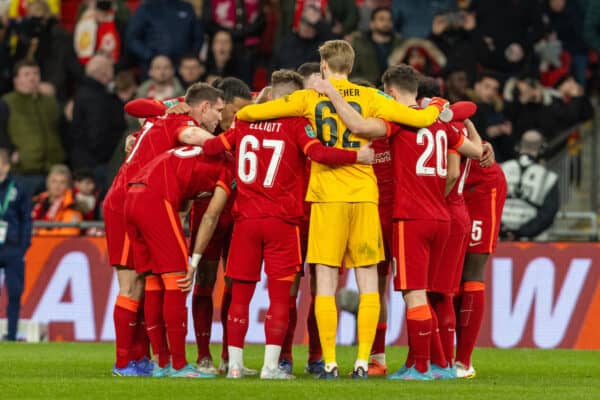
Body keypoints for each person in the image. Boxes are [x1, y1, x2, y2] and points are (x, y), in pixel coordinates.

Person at [236, 40, 449, 379]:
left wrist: (264, 100)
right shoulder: (370, 97)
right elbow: (419, 117)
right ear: (350, 66)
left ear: (323, 65)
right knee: (368, 285)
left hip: (326, 198)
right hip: (365, 195)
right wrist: (438, 105)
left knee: (325, 284)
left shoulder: (308, 97)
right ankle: (364, 362)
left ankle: (331, 362)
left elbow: (247, 113)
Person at [307, 64, 482, 380]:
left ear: (388, 94)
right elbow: (475, 151)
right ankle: (435, 363)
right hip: (437, 215)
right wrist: (453, 116)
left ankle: (420, 365)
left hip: (402, 216)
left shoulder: (395, 125)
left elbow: (359, 125)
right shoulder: (440, 124)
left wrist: (331, 93)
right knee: (426, 292)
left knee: (400, 291)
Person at [199, 69, 375, 379]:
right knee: (281, 297)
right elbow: (319, 153)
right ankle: (271, 366)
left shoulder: (244, 123)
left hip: (246, 222)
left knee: (240, 295)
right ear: (290, 98)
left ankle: (235, 367)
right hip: (282, 222)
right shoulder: (296, 125)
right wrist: (356, 156)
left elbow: (213, 147)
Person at [103, 83, 224, 377]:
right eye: (219, 111)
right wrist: (232, 144)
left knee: (145, 282)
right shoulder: (181, 120)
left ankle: (140, 359)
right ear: (204, 106)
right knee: (135, 286)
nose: (220, 120)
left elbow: (136, 111)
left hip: (126, 196)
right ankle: (126, 363)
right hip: (132, 196)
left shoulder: (163, 119)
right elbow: (199, 138)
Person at [124, 145, 233, 378]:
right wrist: (193, 263)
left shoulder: (194, 151)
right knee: (178, 281)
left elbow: (183, 197)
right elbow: (211, 216)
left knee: (153, 281)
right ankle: (179, 365)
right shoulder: (228, 166)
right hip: (156, 199)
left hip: (131, 196)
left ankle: (162, 362)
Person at [455, 127, 507, 379]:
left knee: (472, 273)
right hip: (448, 188)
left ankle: (463, 362)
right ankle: (442, 358)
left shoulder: (439, 109)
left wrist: (480, 143)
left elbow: (466, 111)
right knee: (448, 278)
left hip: (480, 185)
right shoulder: (398, 112)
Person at [1, 59, 65, 196]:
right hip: (23, 171)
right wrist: (11, 151)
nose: (32, 77)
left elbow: (62, 130)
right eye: (26, 74)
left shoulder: (50, 102)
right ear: (16, 80)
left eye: (35, 73)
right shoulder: (7, 102)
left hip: (53, 172)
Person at [69, 54, 126, 191]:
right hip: (97, 165)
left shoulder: (85, 92)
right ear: (104, 73)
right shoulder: (96, 98)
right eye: (111, 69)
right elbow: (97, 134)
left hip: (86, 161)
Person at [500, 129, 559, 240]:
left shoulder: (500, 169)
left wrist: (501, 229)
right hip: (531, 244)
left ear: (518, 146)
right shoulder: (549, 177)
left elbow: (485, 204)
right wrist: (521, 232)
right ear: (542, 149)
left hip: (498, 239)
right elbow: (548, 213)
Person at [0, 148, 31, 341]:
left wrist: (23, 247)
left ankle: (11, 334)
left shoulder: (18, 188)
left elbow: (26, 219)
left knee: (14, 292)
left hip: (12, 248)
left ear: (6, 165)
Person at [125, 0, 203, 77]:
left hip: (182, 71)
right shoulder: (146, 8)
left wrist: (189, 59)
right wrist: (151, 56)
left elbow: (198, 37)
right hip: (154, 69)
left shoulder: (187, 7)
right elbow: (132, 38)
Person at [350, 7, 403, 86]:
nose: (386, 23)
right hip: (366, 88)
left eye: (389, 20)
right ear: (372, 24)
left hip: (395, 88)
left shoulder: (400, 44)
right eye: (381, 19)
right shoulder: (358, 44)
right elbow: (351, 71)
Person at [31, 164, 83, 236]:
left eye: (62, 182)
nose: (57, 186)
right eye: (54, 181)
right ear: (48, 183)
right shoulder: (36, 202)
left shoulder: (72, 205)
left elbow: (69, 234)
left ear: (68, 186)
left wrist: (38, 233)